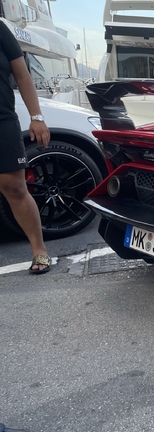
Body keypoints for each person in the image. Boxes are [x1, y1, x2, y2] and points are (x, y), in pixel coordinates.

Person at [0, 21, 51, 274]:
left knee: (14, 186)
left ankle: (39, 248)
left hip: (2, 120)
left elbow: (22, 74)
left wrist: (37, 116)